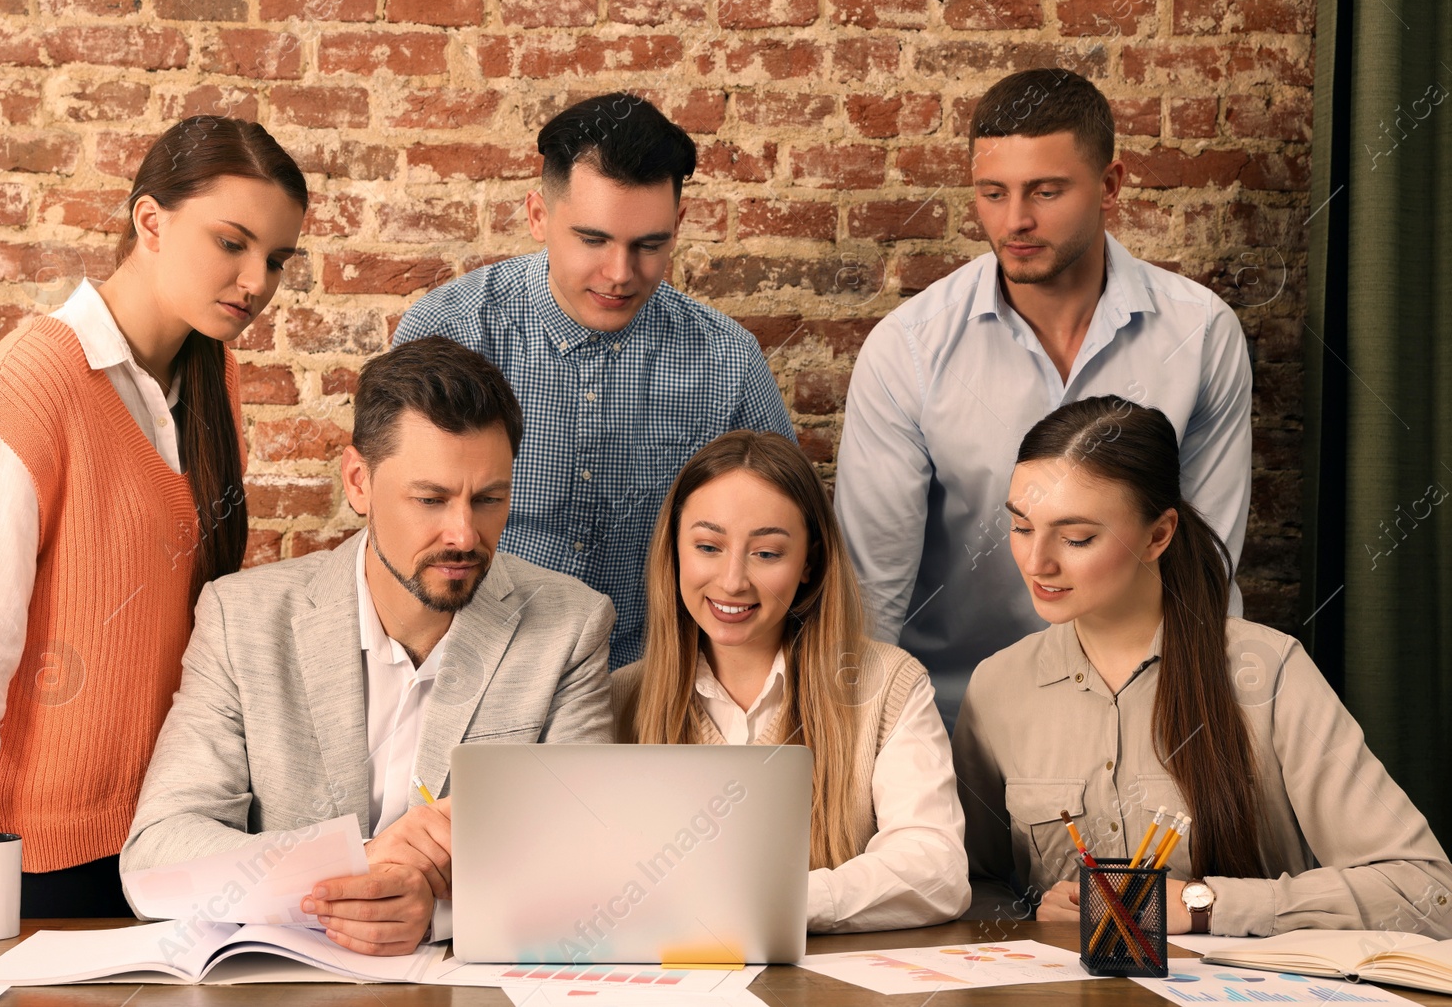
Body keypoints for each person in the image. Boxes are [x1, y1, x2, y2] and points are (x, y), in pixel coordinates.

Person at [0, 117, 306, 923]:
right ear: (150, 221)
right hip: (42, 852)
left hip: (175, 838)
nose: (256, 280)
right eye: (231, 243)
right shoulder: (38, 377)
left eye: (275, 259)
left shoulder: (212, 378)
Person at [121, 337, 615, 956]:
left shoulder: (571, 626)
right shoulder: (242, 618)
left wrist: (437, 910)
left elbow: (588, 861)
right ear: (359, 482)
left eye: (489, 499)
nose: (464, 534)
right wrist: (360, 865)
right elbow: (156, 856)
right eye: (431, 500)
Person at [834, 68, 1253, 729]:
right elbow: (871, 599)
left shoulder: (1199, 334)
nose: (1015, 220)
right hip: (952, 722)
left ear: (1110, 184)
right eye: (992, 193)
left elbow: (1205, 578)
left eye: (1046, 191)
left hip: (1144, 713)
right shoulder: (908, 349)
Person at [953, 396, 1452, 937]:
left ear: (1158, 534)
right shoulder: (997, 686)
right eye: (1023, 527)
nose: (1036, 563)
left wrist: (1200, 905)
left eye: (1077, 538)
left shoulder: (1270, 671)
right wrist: (1030, 924)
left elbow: (1427, 894)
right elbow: (967, 886)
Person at [392, 92, 795, 669]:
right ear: (538, 216)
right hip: (471, 672)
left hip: (648, 681)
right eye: (594, 239)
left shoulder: (726, 360)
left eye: (649, 245)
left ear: (679, 226)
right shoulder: (450, 331)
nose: (620, 274)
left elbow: (786, 530)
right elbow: (399, 524)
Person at [610, 430, 970, 934]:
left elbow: (937, 870)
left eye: (767, 554)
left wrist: (769, 904)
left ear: (810, 563)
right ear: (674, 552)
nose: (733, 580)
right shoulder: (618, 699)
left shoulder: (888, 685)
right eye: (708, 546)